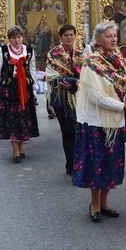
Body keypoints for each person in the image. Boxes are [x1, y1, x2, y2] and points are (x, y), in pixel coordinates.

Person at [73, 22, 126, 221]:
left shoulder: (119, 59)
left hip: (115, 121)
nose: (113, 39)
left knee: (112, 164)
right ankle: (94, 204)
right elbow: (95, 97)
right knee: (96, 164)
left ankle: (105, 201)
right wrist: (122, 107)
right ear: (99, 39)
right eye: (108, 36)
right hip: (96, 122)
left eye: (115, 35)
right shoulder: (92, 62)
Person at [0, 26, 40, 163]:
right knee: (12, 119)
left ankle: (21, 147)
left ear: (22, 37)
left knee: (23, 118)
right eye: (13, 37)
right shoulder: (3, 51)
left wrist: (34, 90)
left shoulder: (28, 51)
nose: (16, 40)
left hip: (25, 89)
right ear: (9, 39)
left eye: (19, 37)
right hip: (9, 89)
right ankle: (15, 150)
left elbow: (32, 71)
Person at [46, 24, 84, 175]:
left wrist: (73, 84)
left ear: (75, 36)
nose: (69, 37)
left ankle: (78, 162)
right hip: (60, 97)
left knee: (77, 130)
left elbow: (86, 75)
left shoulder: (81, 55)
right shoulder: (54, 54)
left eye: (71, 35)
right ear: (61, 37)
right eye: (66, 35)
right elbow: (50, 75)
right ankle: (71, 164)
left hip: (78, 97)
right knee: (67, 131)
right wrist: (68, 81)